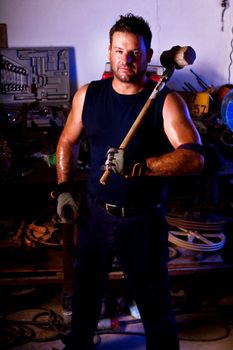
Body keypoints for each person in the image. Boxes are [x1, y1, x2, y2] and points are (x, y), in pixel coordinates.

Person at [56, 13, 204, 350]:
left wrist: (141, 166)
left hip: (142, 220)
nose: (127, 59)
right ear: (109, 52)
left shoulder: (165, 100)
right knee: (84, 299)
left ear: (149, 56)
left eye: (135, 52)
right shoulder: (88, 96)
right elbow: (66, 142)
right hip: (94, 217)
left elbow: (194, 158)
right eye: (120, 51)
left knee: (155, 306)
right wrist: (65, 190)